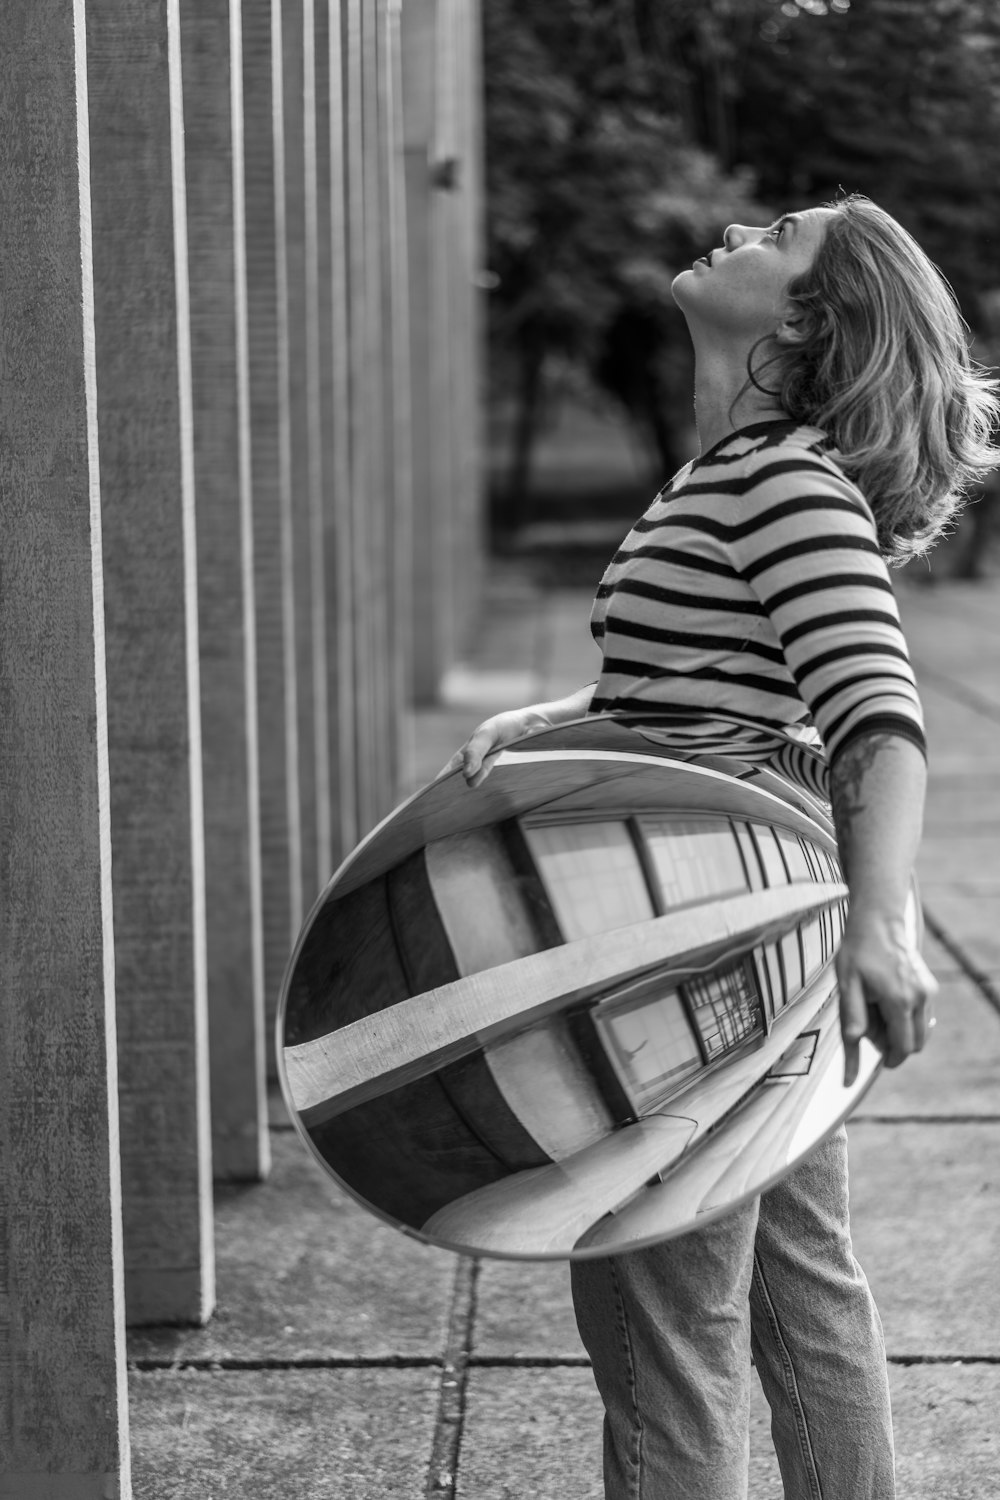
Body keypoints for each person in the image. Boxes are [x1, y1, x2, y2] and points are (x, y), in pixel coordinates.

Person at [446, 195, 1000, 1498]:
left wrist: (876, 927)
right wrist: (567, 717)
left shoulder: (781, 481)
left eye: (779, 238)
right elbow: (730, 689)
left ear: (807, 317)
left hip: (707, 944)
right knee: (799, 1303)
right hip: (744, 925)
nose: (736, 232)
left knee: (662, 1335)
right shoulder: (731, 474)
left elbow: (879, 715)